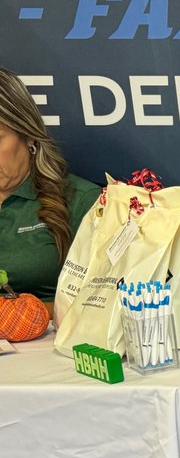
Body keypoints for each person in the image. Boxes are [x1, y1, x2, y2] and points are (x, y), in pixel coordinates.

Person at [0, 68, 100, 311]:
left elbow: (103, 300)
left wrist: (22, 314)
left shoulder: (81, 200)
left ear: (29, 136)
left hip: (53, 334)